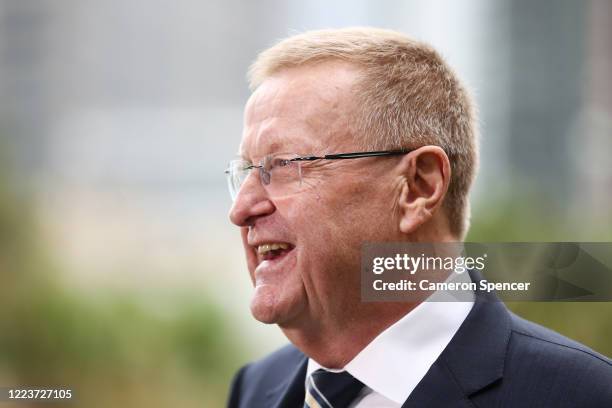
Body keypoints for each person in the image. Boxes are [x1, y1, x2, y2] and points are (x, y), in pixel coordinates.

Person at [225, 27, 612, 407]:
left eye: (284, 165)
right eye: (246, 170)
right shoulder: (257, 388)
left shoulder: (583, 395)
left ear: (418, 187)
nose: (240, 209)